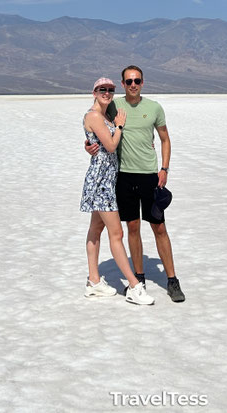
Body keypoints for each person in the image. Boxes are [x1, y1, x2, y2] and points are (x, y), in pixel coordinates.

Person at [86, 66, 185, 303]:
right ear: (122, 83)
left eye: (137, 80)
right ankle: (138, 277)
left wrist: (165, 168)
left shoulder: (154, 108)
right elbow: (97, 129)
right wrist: (87, 144)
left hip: (150, 175)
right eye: (129, 81)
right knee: (132, 227)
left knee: (159, 227)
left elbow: (164, 138)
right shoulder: (113, 106)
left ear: (142, 82)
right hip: (123, 176)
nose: (133, 85)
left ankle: (172, 280)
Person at [80, 77, 154, 306]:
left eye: (110, 89)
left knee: (96, 228)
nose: (107, 93)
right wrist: (119, 126)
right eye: (102, 89)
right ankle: (133, 286)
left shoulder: (104, 115)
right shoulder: (94, 115)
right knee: (117, 234)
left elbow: (104, 144)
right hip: (101, 180)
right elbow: (111, 146)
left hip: (106, 178)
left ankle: (94, 282)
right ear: (94, 91)